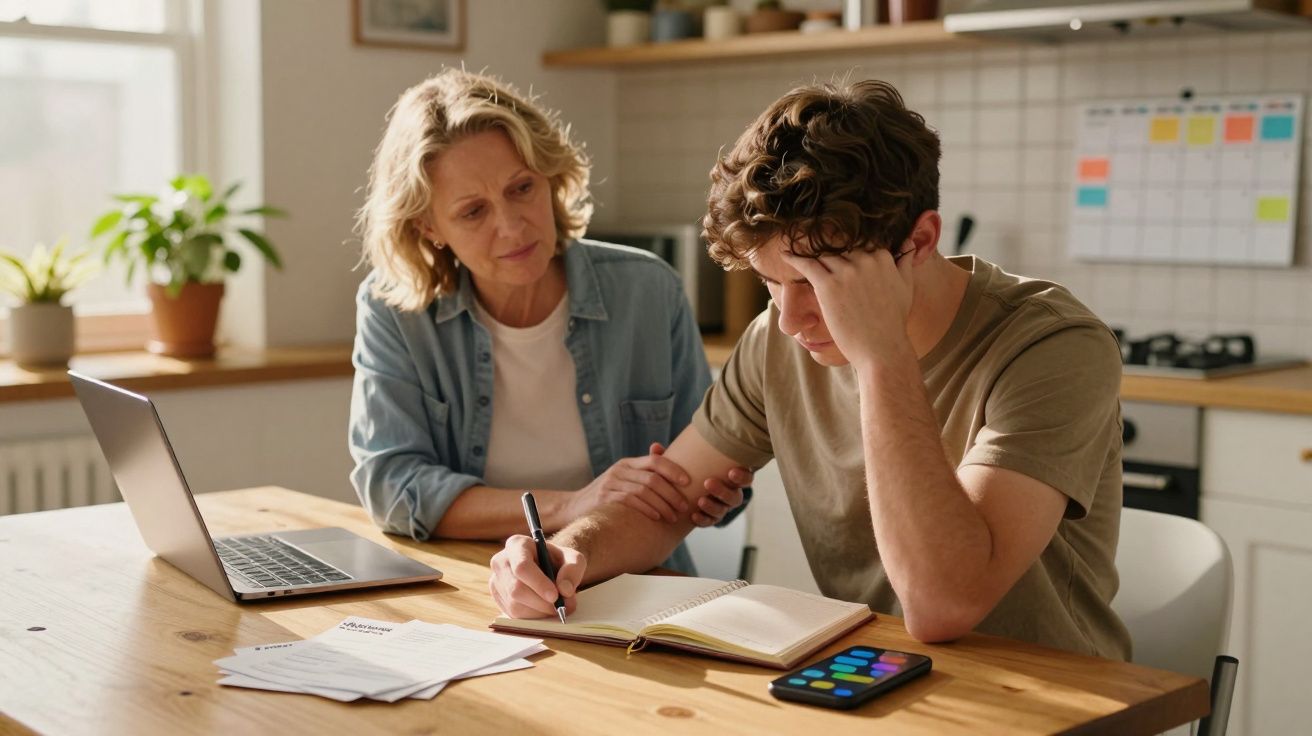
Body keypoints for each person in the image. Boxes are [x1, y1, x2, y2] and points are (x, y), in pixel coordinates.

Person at [488, 78, 1132, 659]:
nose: (792, 319)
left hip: (1051, 701)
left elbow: (943, 605)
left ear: (920, 241)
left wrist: (881, 355)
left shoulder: (1053, 347)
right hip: (872, 678)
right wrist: (570, 554)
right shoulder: (778, 339)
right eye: (772, 283)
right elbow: (669, 501)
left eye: (818, 282)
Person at [349, 69, 752, 574]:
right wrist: (569, 504)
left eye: (521, 188)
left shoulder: (648, 291)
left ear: (551, 177)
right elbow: (390, 485)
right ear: (429, 227)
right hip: (470, 581)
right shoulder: (395, 311)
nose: (512, 225)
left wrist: (716, 495)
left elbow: (717, 477)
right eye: (474, 212)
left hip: (634, 583)